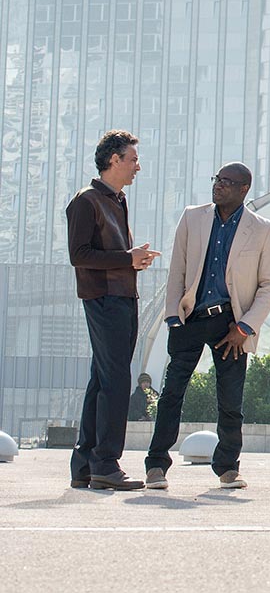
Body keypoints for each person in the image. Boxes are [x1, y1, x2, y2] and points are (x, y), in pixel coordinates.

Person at [145, 163, 270, 490]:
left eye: (227, 182)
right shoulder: (193, 217)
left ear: (244, 188)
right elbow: (177, 268)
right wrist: (172, 317)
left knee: (231, 400)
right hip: (190, 318)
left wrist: (245, 327)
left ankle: (227, 467)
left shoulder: (263, 229)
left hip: (231, 324)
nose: (218, 186)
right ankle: (156, 465)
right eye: (217, 180)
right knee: (171, 394)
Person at [67, 130, 159, 491]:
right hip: (104, 299)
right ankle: (106, 462)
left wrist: (134, 262)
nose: (138, 166)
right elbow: (79, 255)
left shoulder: (116, 199)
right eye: (133, 159)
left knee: (102, 379)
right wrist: (127, 259)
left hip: (121, 296)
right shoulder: (86, 201)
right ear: (114, 160)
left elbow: (107, 255)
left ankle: (85, 464)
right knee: (117, 380)